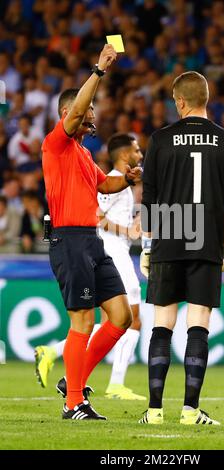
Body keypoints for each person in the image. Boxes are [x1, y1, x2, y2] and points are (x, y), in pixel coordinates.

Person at [139, 71, 224, 425]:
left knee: (162, 325)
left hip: (169, 236)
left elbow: (150, 199)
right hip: (205, 240)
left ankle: (154, 410)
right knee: (198, 325)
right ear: (206, 98)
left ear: (181, 102)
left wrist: (146, 245)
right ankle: (190, 410)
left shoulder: (160, 139)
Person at [40, 44, 141, 421]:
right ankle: (73, 404)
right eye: (87, 113)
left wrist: (126, 179)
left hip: (92, 242)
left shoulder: (82, 153)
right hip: (69, 240)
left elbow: (104, 187)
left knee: (120, 317)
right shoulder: (57, 144)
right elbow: (80, 106)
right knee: (82, 319)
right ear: (68, 115)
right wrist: (98, 71)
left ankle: (74, 380)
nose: (92, 117)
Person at [35, 133, 146, 401]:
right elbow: (97, 215)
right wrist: (127, 230)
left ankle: (60, 362)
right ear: (123, 154)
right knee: (127, 317)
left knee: (117, 318)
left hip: (109, 248)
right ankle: (112, 384)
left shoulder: (120, 181)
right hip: (108, 248)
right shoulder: (107, 176)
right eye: (137, 150)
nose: (141, 155)